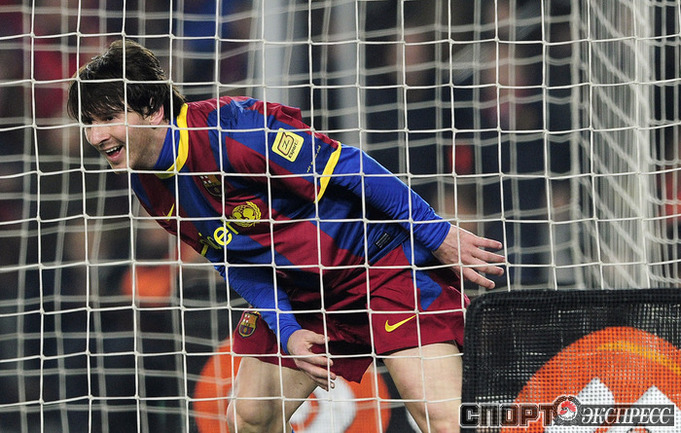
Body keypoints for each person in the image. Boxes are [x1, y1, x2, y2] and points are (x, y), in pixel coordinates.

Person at [67, 39, 505, 433]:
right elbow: (232, 260)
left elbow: (350, 166)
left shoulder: (233, 129)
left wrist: (436, 232)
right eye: (89, 122)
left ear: (153, 109)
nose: (96, 136)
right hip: (302, 292)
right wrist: (289, 330)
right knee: (250, 417)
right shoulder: (148, 184)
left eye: (109, 118)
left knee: (445, 419)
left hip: (378, 269)